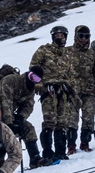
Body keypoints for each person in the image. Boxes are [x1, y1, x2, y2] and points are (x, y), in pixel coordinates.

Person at [31, 26, 77, 160]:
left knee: (62, 122)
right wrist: (38, 83)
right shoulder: (44, 50)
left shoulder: (68, 54)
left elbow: (71, 75)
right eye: (56, 35)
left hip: (64, 91)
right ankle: (47, 152)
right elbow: (33, 67)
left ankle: (61, 151)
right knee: (49, 121)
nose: (59, 37)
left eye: (62, 35)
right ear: (52, 36)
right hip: (49, 90)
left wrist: (74, 94)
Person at [0, 64, 50, 168]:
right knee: (1, 136)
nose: (33, 79)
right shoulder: (11, 80)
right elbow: (5, 101)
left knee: (28, 128)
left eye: (36, 78)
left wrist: (21, 118)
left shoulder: (30, 89)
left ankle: (35, 158)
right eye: (32, 75)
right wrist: (9, 122)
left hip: (11, 116)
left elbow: (29, 105)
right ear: (28, 73)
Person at [68, 25, 95, 152]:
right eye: (81, 36)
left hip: (89, 91)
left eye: (86, 36)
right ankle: (71, 146)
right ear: (76, 37)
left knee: (89, 117)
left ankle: (85, 143)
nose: (83, 39)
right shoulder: (67, 52)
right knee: (71, 119)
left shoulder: (91, 54)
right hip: (72, 92)